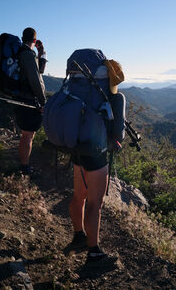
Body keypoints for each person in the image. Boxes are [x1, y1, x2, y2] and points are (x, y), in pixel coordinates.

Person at [67, 59, 124, 263]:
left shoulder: (74, 92)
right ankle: (94, 251)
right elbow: (119, 134)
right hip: (97, 154)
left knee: (79, 197)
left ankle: (78, 236)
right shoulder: (114, 97)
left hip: (76, 147)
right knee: (95, 203)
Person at [14, 27, 47, 175]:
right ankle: (24, 168)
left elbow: (38, 71)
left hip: (20, 97)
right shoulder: (27, 54)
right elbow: (35, 79)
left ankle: (24, 165)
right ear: (34, 40)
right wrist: (43, 102)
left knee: (27, 134)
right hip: (27, 100)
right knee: (28, 135)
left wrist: (41, 55)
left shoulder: (21, 53)